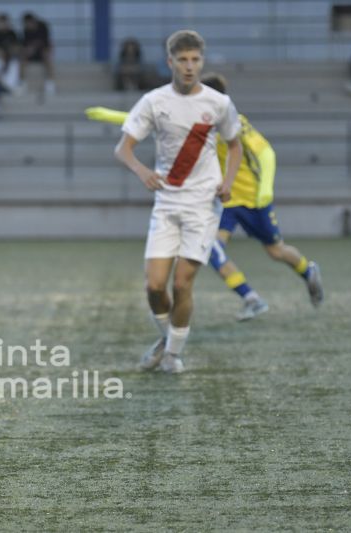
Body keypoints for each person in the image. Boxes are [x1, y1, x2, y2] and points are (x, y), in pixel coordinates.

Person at [86, 73, 325, 322]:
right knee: (211, 248)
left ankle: (308, 272)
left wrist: (266, 188)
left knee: (276, 251)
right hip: (223, 199)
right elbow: (155, 120)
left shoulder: (235, 122)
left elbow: (266, 153)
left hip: (253, 198)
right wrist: (112, 116)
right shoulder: (192, 120)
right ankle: (250, 297)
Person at [112, 30, 242, 374]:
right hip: (167, 204)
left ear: (202, 61)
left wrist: (227, 182)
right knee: (154, 286)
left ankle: (172, 355)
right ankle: (170, 340)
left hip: (203, 205)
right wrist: (142, 171)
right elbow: (123, 149)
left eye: (195, 60)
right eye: (182, 60)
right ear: (170, 62)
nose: (189, 66)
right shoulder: (155, 101)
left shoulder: (218, 103)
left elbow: (236, 144)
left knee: (182, 282)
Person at [20, 12, 54, 96]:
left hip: (42, 51)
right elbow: (24, 44)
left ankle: (50, 83)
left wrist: (33, 47)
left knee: (46, 55)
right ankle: (22, 82)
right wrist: (27, 50)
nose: (28, 26)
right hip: (31, 53)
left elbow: (46, 42)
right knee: (22, 57)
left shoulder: (43, 26)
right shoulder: (26, 30)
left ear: (32, 21)